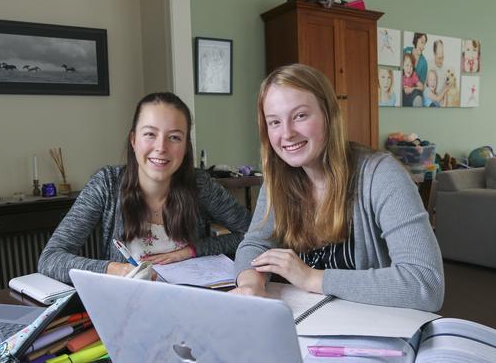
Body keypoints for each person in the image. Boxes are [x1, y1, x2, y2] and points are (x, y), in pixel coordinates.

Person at [231, 64, 444, 312]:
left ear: (329, 116)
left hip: (377, 327)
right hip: (312, 324)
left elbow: (426, 284)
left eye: (300, 116)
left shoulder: (381, 174)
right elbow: (255, 244)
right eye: (274, 122)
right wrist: (250, 284)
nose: (286, 133)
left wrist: (312, 278)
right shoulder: (279, 178)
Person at [38, 92, 251, 283]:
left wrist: (193, 250)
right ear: (133, 140)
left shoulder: (199, 184)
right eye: (150, 134)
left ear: (186, 147)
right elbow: (50, 259)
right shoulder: (106, 183)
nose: (161, 147)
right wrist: (114, 269)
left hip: (189, 305)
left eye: (174, 137)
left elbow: (254, 235)